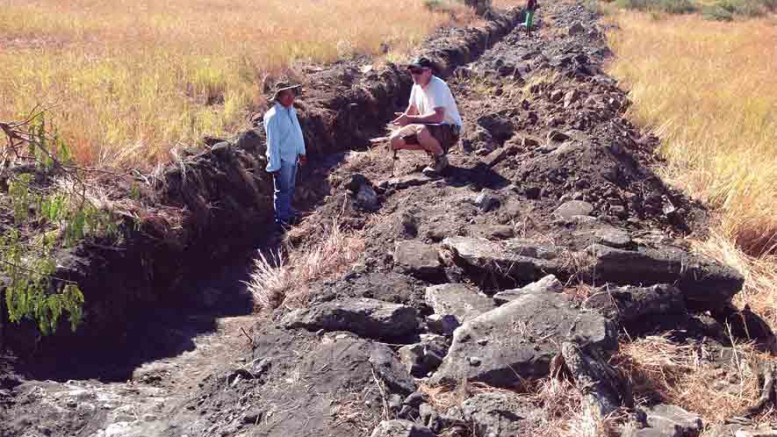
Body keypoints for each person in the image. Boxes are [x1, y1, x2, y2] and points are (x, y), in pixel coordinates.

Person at [389, 57, 463, 176]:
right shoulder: (416, 86)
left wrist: (410, 119)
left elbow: (438, 117)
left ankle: (440, 158)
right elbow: (411, 110)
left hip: (449, 129)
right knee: (395, 140)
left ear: (428, 71)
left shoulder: (438, 86)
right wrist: (402, 122)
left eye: (418, 71)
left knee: (421, 131)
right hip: (428, 128)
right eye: (412, 72)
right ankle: (432, 150)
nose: (414, 75)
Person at [263, 82, 307, 228]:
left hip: (293, 156)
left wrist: (301, 152)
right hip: (282, 160)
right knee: (282, 190)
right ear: (278, 97)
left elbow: (297, 132)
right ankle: (281, 220)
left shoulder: (291, 110)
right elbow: (272, 144)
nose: (291, 97)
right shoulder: (273, 117)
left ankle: (287, 211)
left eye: (292, 94)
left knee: (290, 186)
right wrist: (274, 165)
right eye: (286, 95)